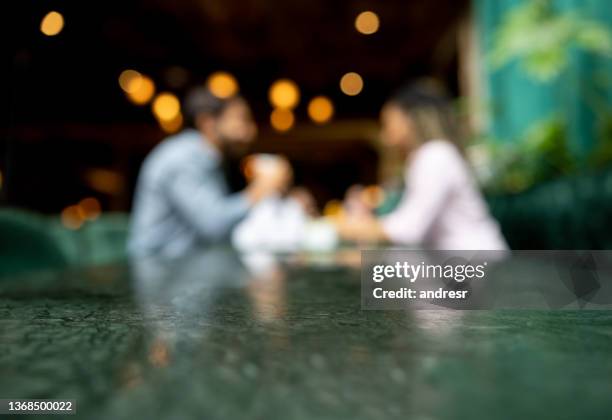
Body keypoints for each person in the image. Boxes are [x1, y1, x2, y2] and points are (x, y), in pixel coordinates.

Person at [337, 81, 508, 250]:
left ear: (410, 119)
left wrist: (345, 228)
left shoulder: (435, 155)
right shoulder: (431, 155)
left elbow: (408, 229)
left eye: (388, 122)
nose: (385, 134)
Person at [128, 87, 291, 257]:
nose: (250, 131)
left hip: (186, 268)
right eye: (241, 120)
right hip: (159, 270)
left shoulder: (207, 158)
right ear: (207, 123)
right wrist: (262, 188)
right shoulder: (183, 158)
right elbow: (214, 225)